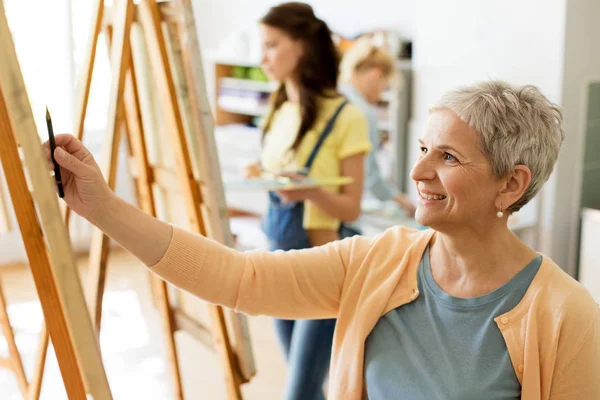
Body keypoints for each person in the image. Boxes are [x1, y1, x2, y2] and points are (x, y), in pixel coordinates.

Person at [44, 80, 600, 400]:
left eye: (447, 157)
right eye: (423, 148)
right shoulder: (379, 259)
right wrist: (102, 206)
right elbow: (239, 279)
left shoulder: (563, 314)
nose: (418, 172)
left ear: (511, 184)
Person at [242, 3, 371, 399]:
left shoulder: (346, 116)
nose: (262, 57)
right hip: (281, 263)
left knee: (299, 390)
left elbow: (350, 208)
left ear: (301, 46)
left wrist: (310, 190)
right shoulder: (279, 111)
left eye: (271, 45)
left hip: (325, 268)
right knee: (306, 386)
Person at [339, 37, 416, 217]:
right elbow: (370, 176)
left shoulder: (334, 98)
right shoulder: (363, 113)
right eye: (384, 86)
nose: (381, 95)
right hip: (343, 213)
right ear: (376, 74)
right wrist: (403, 201)